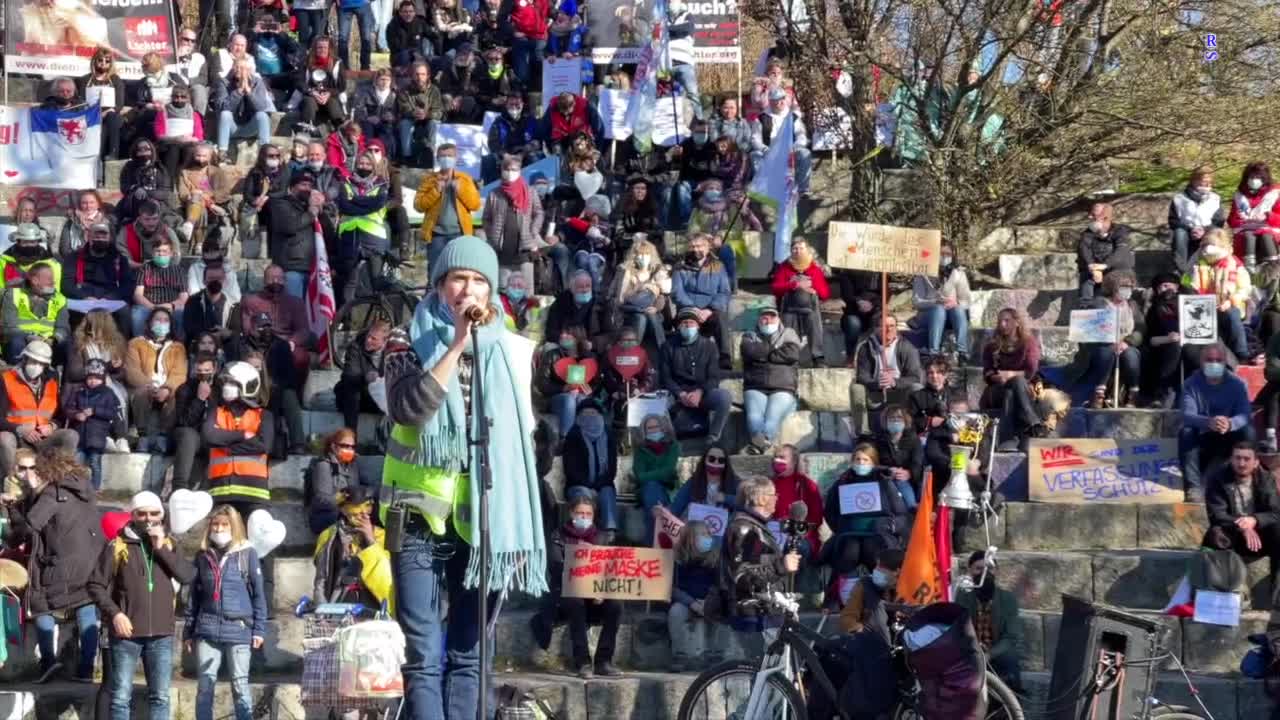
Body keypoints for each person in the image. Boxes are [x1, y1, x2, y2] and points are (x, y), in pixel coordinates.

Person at [379, 235, 545, 719]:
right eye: (458, 279)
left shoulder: (509, 349)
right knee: (424, 654)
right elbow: (409, 409)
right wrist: (454, 344)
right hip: (417, 520)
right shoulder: (403, 340)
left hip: (482, 520)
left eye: (478, 281)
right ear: (439, 286)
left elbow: (529, 428)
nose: (467, 291)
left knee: (471, 655)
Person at [89, 490, 195, 720]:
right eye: (142, 513)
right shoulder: (117, 545)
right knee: (120, 698)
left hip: (162, 634)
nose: (148, 518)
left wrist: (160, 548)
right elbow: (95, 585)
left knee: (160, 697)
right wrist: (116, 614)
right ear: (133, 515)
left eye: (154, 513)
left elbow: (187, 576)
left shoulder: (170, 544)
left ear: (162, 514)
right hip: (126, 634)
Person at [10, 448, 101, 683]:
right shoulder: (84, 489)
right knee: (86, 607)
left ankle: (48, 661)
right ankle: (86, 669)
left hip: (61, 562)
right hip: (92, 560)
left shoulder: (52, 492)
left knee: (40, 603)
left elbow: (30, 526)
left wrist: (15, 507)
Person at [184, 505, 266, 720]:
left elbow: (258, 594)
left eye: (224, 524)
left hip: (239, 629)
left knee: (240, 685)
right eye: (215, 524)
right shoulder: (202, 556)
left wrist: (259, 630)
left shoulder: (247, 554)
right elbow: (194, 595)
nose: (219, 529)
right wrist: (189, 631)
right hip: (208, 628)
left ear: (234, 526)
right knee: (204, 686)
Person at [528, 492, 622, 678]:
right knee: (574, 601)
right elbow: (557, 569)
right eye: (580, 513)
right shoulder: (558, 537)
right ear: (571, 513)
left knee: (616, 605)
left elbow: (608, 570)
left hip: (596, 597)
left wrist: (601, 591)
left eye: (588, 514)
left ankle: (604, 660)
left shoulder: (602, 539)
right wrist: (578, 556)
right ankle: (583, 662)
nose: (584, 518)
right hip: (567, 596)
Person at [720, 477, 802, 655]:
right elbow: (742, 576)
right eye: (774, 494)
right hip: (753, 615)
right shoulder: (744, 529)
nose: (777, 499)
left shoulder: (757, 527)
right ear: (761, 498)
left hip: (767, 611)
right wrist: (781, 566)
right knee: (758, 673)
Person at [1180, 343, 1253, 503]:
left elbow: (1245, 413)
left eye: (1218, 360)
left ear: (1225, 361)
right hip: (1203, 437)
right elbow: (1187, 415)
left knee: (1248, 431)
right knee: (1186, 432)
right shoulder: (1191, 384)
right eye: (1209, 360)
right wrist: (1208, 422)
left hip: (1229, 436)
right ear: (1201, 362)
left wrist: (1230, 423)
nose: (1214, 363)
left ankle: (1246, 480)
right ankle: (1193, 487)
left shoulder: (1238, 384)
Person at [823, 444, 909, 576]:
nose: (861, 463)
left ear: (873, 462)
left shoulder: (884, 482)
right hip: (850, 534)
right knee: (849, 552)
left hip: (878, 533)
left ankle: (877, 587)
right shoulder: (842, 482)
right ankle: (845, 591)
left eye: (865, 460)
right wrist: (842, 526)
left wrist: (889, 524)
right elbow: (830, 511)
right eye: (858, 459)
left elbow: (901, 515)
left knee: (873, 551)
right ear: (852, 461)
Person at [227, 312, 305, 455]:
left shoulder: (281, 346)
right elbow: (231, 369)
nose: (266, 330)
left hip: (274, 389)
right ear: (252, 327)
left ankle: (298, 443)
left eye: (268, 325)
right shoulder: (239, 345)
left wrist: (272, 385)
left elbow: (290, 376)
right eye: (261, 326)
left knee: (290, 395)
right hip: (246, 387)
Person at [0, 340, 78, 477]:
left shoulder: (52, 382)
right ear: (24, 359)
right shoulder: (6, 379)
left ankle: (60, 479)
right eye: (33, 361)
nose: (37, 366)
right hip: (18, 437)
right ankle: (12, 482)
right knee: (4, 438)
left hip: (43, 438)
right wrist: (20, 430)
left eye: (41, 364)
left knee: (70, 435)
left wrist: (52, 426)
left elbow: (60, 416)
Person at [313, 486, 394, 611]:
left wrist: (370, 539)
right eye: (356, 510)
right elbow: (321, 579)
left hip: (375, 602)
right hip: (341, 601)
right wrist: (321, 610)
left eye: (366, 508)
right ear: (344, 510)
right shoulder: (328, 536)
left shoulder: (382, 536)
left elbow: (387, 571)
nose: (362, 514)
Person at [1070, 271, 1143, 408]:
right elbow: (1091, 328)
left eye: (1129, 287)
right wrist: (1109, 342)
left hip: (1125, 344)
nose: (1126, 291)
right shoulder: (1100, 303)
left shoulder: (1133, 306)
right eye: (1123, 287)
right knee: (1105, 353)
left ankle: (1133, 393)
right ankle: (1099, 393)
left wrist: (1128, 342)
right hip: (1103, 344)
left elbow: (1140, 329)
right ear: (1113, 288)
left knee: (1131, 355)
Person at [955, 550, 1023, 693]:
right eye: (979, 569)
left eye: (989, 569)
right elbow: (957, 630)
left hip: (996, 652)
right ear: (970, 571)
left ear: (996, 571)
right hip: (970, 651)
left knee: (1010, 660)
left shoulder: (1007, 599)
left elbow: (1011, 637)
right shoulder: (962, 597)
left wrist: (989, 654)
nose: (984, 574)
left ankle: (1010, 709)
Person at [662, 308, 733, 443]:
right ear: (678, 326)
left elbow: (713, 376)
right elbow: (666, 377)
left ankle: (713, 436)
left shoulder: (709, 346)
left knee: (724, 397)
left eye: (691, 323)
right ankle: (667, 439)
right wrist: (680, 394)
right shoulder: (667, 347)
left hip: (702, 392)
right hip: (678, 393)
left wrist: (700, 392)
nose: (688, 325)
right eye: (684, 323)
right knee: (659, 403)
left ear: (698, 326)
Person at [1202, 442, 1280, 562]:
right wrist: (1243, 527)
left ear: (1256, 462)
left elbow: (1275, 512)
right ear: (1231, 459)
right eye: (1237, 458)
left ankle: (1277, 579)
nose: (1241, 463)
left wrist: (1254, 520)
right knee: (1215, 533)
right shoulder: (1217, 478)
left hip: (1260, 537)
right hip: (1233, 534)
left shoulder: (1266, 478)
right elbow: (1217, 515)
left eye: (1246, 459)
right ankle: (1219, 579)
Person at [848, 315, 924, 438]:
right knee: (856, 388)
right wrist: (877, 383)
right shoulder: (866, 347)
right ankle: (863, 432)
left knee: (917, 388)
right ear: (876, 329)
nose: (888, 330)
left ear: (896, 329)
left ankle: (914, 430)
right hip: (875, 392)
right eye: (884, 326)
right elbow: (862, 376)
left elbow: (915, 376)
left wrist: (895, 382)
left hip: (899, 392)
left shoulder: (907, 347)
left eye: (892, 326)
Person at [1184, 227, 1253, 361]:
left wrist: (1230, 301)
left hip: (1228, 305)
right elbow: (1185, 284)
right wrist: (1192, 278)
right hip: (1201, 307)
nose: (1207, 249)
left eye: (1212, 245)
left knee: (1232, 315)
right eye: (1204, 245)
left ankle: (1241, 352)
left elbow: (1244, 289)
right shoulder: (1196, 263)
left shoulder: (1234, 265)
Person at [124, 308, 187, 453]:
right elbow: (132, 371)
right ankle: (143, 436)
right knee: (140, 393)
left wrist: (167, 388)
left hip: (166, 388)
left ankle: (163, 437)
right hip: (145, 387)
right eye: (158, 320)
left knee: (177, 395)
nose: (162, 323)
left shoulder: (178, 347)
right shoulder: (135, 343)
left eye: (166, 321)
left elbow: (179, 374)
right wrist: (149, 385)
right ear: (149, 323)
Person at [981, 308, 1046, 449]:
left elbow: (1030, 371)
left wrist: (1009, 375)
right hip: (997, 390)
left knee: (1013, 388)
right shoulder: (992, 345)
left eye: (1006, 321)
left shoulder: (1029, 343)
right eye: (1000, 321)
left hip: (1022, 389)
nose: (1002, 324)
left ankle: (1007, 441)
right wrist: (997, 377)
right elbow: (987, 372)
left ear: (1017, 322)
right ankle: (1032, 422)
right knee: (1012, 386)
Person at [741, 308, 802, 454]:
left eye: (772, 317)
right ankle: (761, 443)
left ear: (779, 319)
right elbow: (749, 352)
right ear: (758, 320)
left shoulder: (789, 333)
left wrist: (763, 354)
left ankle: (759, 443)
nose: (768, 321)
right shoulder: (749, 335)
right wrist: (775, 351)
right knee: (753, 416)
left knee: (771, 417)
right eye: (764, 318)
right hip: (755, 385)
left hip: (783, 387)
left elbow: (792, 354)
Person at [335, 149, 391, 303]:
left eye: (367, 164)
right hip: (350, 236)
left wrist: (355, 200)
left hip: (374, 238)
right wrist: (365, 203)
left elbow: (377, 204)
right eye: (361, 163)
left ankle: (382, 318)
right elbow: (345, 206)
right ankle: (345, 320)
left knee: (377, 281)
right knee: (349, 281)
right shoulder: (345, 183)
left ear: (373, 166)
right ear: (355, 165)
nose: (364, 166)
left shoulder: (382, 185)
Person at [668, 520, 726, 672]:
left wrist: (708, 602)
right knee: (676, 612)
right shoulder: (678, 559)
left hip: (710, 600)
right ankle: (679, 655)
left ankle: (714, 654)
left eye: (708, 534)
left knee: (721, 610)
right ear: (690, 538)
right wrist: (692, 603)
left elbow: (720, 585)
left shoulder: (716, 559)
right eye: (703, 534)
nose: (708, 537)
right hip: (688, 601)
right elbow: (673, 588)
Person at [483, 154, 545, 292]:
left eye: (514, 169)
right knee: (503, 292)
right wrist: (492, 235)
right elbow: (486, 218)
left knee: (527, 292)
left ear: (520, 171)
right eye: (508, 169)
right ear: (502, 171)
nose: (510, 172)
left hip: (524, 250)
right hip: (502, 252)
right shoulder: (494, 194)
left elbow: (539, 213)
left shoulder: (529, 192)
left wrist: (533, 231)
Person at [415, 144, 482, 271]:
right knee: (435, 274)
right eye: (443, 156)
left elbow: (475, 205)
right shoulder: (429, 180)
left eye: (449, 156)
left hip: (459, 234)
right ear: (438, 158)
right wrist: (435, 191)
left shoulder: (465, 179)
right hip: (436, 235)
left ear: (456, 158)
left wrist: (460, 190)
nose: (446, 159)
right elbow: (418, 205)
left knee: (458, 271)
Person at [239, 265, 314, 378]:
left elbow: (303, 330)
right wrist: (258, 335)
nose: (275, 281)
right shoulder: (250, 301)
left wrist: (291, 342)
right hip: (259, 344)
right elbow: (247, 328)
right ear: (264, 281)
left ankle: (294, 392)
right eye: (271, 278)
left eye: (279, 278)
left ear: (284, 281)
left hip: (287, 343)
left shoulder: (296, 303)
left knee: (301, 357)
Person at [672, 233, 733, 368]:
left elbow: (724, 291)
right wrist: (692, 307)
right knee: (686, 319)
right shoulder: (680, 266)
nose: (695, 249)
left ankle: (725, 356)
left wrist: (709, 310)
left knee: (721, 316)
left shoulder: (718, 266)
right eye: (692, 246)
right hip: (688, 308)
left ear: (707, 247)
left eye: (699, 246)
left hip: (710, 310)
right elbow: (677, 292)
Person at [561, 399, 618, 538]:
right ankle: (582, 535)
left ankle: (609, 534)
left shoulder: (608, 434)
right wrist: (589, 486)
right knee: (583, 494)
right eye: (585, 413)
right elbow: (570, 468)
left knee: (607, 492)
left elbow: (611, 469)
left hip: (603, 483)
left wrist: (598, 484)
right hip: (578, 484)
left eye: (593, 413)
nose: (590, 416)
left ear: (600, 415)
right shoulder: (573, 434)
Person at [64, 359, 124, 491]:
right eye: (90, 378)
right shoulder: (78, 391)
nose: (93, 381)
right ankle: (74, 487)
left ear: (103, 379)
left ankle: (95, 488)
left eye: (97, 378)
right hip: (79, 435)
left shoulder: (108, 393)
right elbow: (68, 409)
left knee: (95, 463)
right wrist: (76, 415)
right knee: (76, 463)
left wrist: (95, 411)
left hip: (97, 436)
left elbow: (113, 412)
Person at [771, 239, 829, 366]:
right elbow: (775, 288)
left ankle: (818, 357)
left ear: (807, 250)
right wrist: (794, 285)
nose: (797, 251)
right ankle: (791, 357)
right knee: (789, 330)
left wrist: (812, 285)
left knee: (815, 326)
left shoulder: (815, 269)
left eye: (801, 248)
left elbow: (825, 294)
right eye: (794, 249)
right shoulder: (784, 267)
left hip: (810, 309)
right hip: (790, 308)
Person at [268, 173, 324, 299]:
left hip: (313, 270)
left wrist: (321, 210)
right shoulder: (280, 204)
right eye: (303, 185)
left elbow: (328, 233)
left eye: (310, 186)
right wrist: (310, 213)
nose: (307, 189)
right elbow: (289, 226)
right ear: (292, 187)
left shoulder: (310, 206)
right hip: (291, 268)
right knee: (293, 309)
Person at [1, 262, 69, 365]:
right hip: (22, 340)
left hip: (49, 342)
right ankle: (16, 377)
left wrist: (54, 339)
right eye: (49, 278)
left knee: (67, 344)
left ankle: (56, 377)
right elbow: (8, 329)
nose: (53, 282)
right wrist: (29, 337)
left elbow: (63, 328)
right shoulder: (13, 295)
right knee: (15, 343)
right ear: (35, 280)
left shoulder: (60, 299)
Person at [913, 241, 971, 359]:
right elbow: (916, 301)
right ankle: (933, 352)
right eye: (941, 253)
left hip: (951, 313)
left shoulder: (958, 273)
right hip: (928, 314)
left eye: (948, 254)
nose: (945, 256)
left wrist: (956, 302)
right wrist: (934, 302)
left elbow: (966, 300)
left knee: (959, 310)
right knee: (939, 309)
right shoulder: (923, 272)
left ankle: (962, 352)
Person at [611, 239, 671, 350]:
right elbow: (620, 297)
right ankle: (632, 350)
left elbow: (663, 295)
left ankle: (663, 349)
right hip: (628, 312)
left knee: (651, 315)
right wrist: (641, 288)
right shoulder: (625, 271)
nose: (642, 258)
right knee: (640, 317)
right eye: (639, 254)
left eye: (646, 254)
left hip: (650, 311)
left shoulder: (657, 272)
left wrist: (656, 308)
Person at [306, 428, 366, 534]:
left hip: (348, 512)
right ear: (334, 447)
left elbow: (355, 490)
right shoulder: (323, 465)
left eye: (352, 447)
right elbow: (321, 500)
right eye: (345, 446)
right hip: (324, 515)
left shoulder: (352, 466)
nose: (349, 449)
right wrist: (342, 503)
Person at [172, 353, 218, 492]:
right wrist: (199, 399)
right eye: (199, 371)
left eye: (207, 371)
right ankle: (179, 489)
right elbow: (184, 421)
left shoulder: (220, 389)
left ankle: (209, 490)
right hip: (190, 435)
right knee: (188, 435)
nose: (203, 375)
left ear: (215, 369)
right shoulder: (185, 389)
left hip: (210, 436)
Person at [753, 87, 811, 195]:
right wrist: (765, 149)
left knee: (804, 153)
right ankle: (761, 189)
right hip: (769, 150)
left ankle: (803, 189)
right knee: (755, 155)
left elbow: (801, 135)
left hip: (790, 150)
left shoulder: (793, 117)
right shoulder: (761, 118)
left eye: (782, 99)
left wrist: (795, 147)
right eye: (776, 100)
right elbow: (755, 139)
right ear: (770, 101)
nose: (780, 102)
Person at [837, 548, 903, 643]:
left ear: (897, 571)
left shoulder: (908, 590)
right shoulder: (865, 585)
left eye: (880, 566)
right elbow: (847, 617)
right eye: (876, 565)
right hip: (873, 644)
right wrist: (859, 629)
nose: (876, 569)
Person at [1169, 166, 1226, 275]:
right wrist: (1191, 229)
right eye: (1202, 182)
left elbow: (1219, 221)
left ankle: (1211, 269)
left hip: (1207, 231)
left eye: (1208, 183)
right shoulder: (1179, 198)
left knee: (1214, 236)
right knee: (1179, 233)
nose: (1205, 186)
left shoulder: (1215, 199)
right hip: (1186, 230)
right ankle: (1181, 270)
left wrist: (1204, 230)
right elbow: (1173, 221)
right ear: (1194, 181)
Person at [769, 444, 823, 558]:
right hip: (773, 534)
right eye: (775, 457)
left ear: (794, 462)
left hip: (802, 536)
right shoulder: (769, 484)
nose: (777, 460)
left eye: (782, 457)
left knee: (797, 548)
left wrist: (794, 528)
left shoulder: (807, 485)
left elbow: (816, 519)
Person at [334, 322, 390, 433]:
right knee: (351, 388)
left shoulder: (391, 352)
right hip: (357, 396)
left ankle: (386, 439)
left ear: (384, 342)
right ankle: (351, 435)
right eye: (368, 336)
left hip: (379, 398)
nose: (368, 340)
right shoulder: (355, 347)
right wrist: (369, 377)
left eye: (373, 339)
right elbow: (350, 374)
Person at [1141, 273, 1186, 409]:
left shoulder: (1189, 305)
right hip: (1165, 347)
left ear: (1177, 287)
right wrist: (1168, 338)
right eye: (1161, 287)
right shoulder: (1154, 311)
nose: (1165, 289)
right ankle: (1162, 394)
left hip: (1192, 344)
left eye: (1168, 285)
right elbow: (1150, 340)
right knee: (1174, 347)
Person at [214, 59, 275, 156]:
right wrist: (238, 92)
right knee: (225, 114)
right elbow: (222, 107)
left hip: (250, 127)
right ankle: (222, 152)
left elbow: (262, 107)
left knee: (262, 115)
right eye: (236, 67)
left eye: (242, 68)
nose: (238, 70)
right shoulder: (224, 82)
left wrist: (249, 93)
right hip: (231, 127)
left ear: (249, 71)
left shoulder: (257, 82)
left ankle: (265, 152)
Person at [1077, 202, 1136, 300]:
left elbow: (1121, 251)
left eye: (1094, 215)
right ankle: (1086, 306)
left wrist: (1105, 265)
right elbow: (1084, 249)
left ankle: (1122, 305)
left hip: (1118, 270)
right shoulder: (1087, 233)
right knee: (1086, 278)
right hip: (1096, 270)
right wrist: (1092, 267)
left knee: (1121, 283)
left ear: (1105, 218)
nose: (1089, 217)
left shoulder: (1120, 232)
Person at [130, 237, 187, 338]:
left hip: (171, 306)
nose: (161, 254)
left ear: (170, 253)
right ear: (152, 253)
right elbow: (138, 295)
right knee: (137, 314)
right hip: (148, 305)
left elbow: (184, 296)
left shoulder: (179, 270)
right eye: (158, 251)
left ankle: (178, 345)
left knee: (181, 314)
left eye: (165, 251)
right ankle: (140, 344)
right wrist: (153, 307)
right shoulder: (145, 268)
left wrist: (172, 305)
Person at [544, 270, 614, 352]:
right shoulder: (560, 303)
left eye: (588, 286)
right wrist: (560, 337)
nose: (585, 290)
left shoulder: (601, 304)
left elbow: (611, 334)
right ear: (572, 289)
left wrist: (593, 344)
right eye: (580, 287)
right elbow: (550, 331)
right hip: (565, 348)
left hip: (592, 349)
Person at [1228, 161, 1280, 271]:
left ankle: (1273, 270)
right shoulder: (1239, 195)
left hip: (1268, 230)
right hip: (1246, 231)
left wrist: (1267, 216)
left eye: (1258, 176)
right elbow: (1231, 221)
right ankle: (1248, 270)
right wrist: (1239, 218)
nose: (1254, 180)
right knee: (1248, 237)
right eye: (1251, 176)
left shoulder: (1275, 193)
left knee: (1266, 237)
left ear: (1264, 178)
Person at [635, 413, 680, 535]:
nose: (654, 430)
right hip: (646, 490)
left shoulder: (673, 446)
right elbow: (639, 476)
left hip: (668, 489)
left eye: (656, 426)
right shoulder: (640, 449)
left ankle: (652, 542)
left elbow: (669, 470)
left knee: (652, 488)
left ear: (663, 428)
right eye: (650, 428)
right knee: (651, 487)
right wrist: (660, 474)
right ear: (644, 431)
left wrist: (648, 475)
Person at [78, 48, 127, 160]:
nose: (103, 63)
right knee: (102, 128)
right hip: (91, 115)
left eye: (107, 60)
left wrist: (107, 112)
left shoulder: (115, 80)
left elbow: (119, 104)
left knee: (112, 119)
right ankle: (96, 158)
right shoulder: (85, 80)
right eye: (100, 60)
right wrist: (94, 114)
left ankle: (113, 153)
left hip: (110, 114)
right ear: (94, 61)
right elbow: (81, 101)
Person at [874, 405, 923, 510]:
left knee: (908, 499)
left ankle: (912, 508)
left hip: (908, 480)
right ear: (885, 422)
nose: (895, 421)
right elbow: (873, 463)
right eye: (891, 418)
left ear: (905, 421)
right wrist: (888, 470)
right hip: (884, 478)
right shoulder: (878, 441)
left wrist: (909, 473)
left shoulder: (914, 440)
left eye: (899, 418)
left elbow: (918, 462)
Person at [116, 145, 177, 228]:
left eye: (146, 149)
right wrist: (135, 188)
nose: (143, 152)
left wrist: (146, 193)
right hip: (133, 202)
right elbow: (124, 187)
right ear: (135, 152)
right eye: (140, 150)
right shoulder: (129, 167)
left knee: (167, 222)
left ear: (152, 150)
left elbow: (165, 192)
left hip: (158, 203)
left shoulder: (160, 168)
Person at [670, 444, 739, 517]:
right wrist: (664, 511)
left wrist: (726, 498)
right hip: (698, 524)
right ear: (704, 460)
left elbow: (745, 504)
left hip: (726, 524)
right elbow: (677, 505)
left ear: (726, 463)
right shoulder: (694, 481)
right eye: (711, 459)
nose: (716, 462)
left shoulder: (734, 482)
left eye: (721, 460)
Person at [486, 94, 543, 182]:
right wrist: (505, 156)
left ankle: (535, 189)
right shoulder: (499, 121)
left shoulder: (531, 120)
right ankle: (491, 190)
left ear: (523, 104)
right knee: (489, 160)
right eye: (511, 104)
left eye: (517, 104)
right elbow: (493, 143)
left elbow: (537, 140)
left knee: (536, 157)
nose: (514, 107)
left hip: (525, 154)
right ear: (506, 105)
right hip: (505, 154)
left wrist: (522, 154)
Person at [398, 62, 445, 167]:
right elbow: (403, 108)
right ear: (412, 75)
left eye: (423, 74)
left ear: (428, 75)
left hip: (428, 119)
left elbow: (439, 111)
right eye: (417, 74)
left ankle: (431, 155)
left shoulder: (434, 90)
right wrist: (414, 113)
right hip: (411, 119)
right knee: (405, 124)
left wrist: (427, 114)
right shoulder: (404, 90)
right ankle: (407, 157)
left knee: (435, 123)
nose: (420, 77)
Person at [297, 37, 346, 132]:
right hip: (311, 95)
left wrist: (329, 93)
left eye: (325, 47)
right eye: (319, 47)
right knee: (309, 102)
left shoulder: (337, 63)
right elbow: (299, 81)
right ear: (315, 48)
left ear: (329, 49)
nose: (322, 50)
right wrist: (312, 92)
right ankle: (306, 129)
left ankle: (339, 129)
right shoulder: (306, 61)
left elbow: (341, 85)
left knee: (333, 104)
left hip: (329, 96)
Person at [116, 201, 181, 270]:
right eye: (147, 219)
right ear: (140, 219)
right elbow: (123, 259)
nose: (151, 223)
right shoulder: (125, 232)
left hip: (164, 273)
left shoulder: (168, 232)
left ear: (159, 217)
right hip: (134, 273)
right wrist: (142, 266)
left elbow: (175, 258)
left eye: (154, 219)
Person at [183, 263, 234, 347]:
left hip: (226, 348)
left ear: (225, 280)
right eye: (211, 278)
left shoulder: (233, 303)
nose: (215, 281)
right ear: (203, 281)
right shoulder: (193, 301)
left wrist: (227, 333)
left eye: (219, 278)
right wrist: (211, 337)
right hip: (199, 348)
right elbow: (189, 329)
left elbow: (236, 331)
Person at [354, 68, 401, 154]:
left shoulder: (394, 94)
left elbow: (399, 111)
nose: (385, 82)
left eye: (387, 80)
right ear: (376, 80)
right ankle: (367, 155)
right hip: (369, 122)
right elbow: (359, 110)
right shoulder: (367, 92)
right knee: (367, 133)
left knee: (387, 136)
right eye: (382, 79)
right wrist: (367, 118)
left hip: (386, 123)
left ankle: (386, 159)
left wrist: (392, 117)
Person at [0, 223, 60, 289]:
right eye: (25, 242)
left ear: (38, 242)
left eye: (32, 242)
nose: (29, 245)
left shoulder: (52, 265)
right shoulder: (3, 262)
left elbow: (55, 293)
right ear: (18, 242)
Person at [59, 191, 113, 260]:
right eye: (84, 203)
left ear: (98, 204)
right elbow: (64, 250)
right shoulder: (71, 222)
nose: (88, 206)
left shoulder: (106, 222)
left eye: (92, 202)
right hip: (76, 262)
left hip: (101, 263)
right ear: (79, 205)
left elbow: (111, 247)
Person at [910, 356, 954, 434]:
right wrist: (929, 421)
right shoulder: (917, 396)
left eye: (939, 372)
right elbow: (910, 421)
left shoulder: (955, 394)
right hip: (927, 436)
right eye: (930, 373)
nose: (934, 376)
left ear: (945, 375)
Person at [387, 0, 434, 68]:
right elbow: (395, 47)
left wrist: (438, 52)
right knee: (405, 55)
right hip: (399, 58)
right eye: (405, 12)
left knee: (432, 59)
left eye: (411, 11)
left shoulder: (420, 23)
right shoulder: (392, 26)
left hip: (417, 56)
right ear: (400, 13)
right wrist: (412, 52)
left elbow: (433, 36)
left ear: (414, 12)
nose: (408, 14)